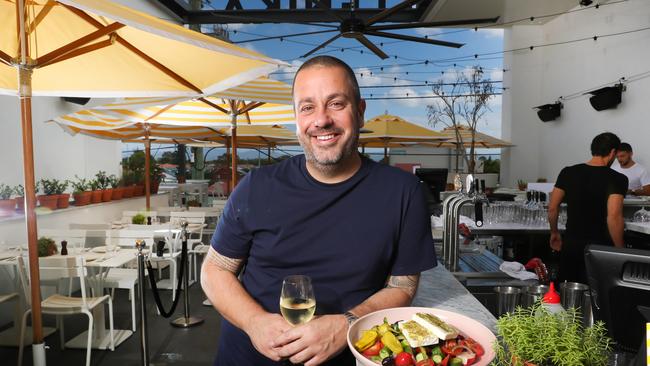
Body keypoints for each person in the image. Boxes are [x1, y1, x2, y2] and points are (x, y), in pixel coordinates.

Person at [201, 56, 436, 366]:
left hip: (347, 357)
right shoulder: (256, 186)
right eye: (308, 107)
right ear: (297, 118)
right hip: (247, 357)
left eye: (336, 104)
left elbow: (403, 285)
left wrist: (349, 323)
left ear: (360, 111)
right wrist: (254, 322)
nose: (321, 120)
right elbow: (214, 269)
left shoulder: (404, 192)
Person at [548, 132, 627, 284]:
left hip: (571, 243)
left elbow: (552, 208)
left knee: (568, 292)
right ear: (612, 153)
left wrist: (554, 232)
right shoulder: (618, 179)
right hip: (601, 248)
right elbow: (614, 216)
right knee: (597, 295)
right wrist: (620, 249)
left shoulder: (568, 172)